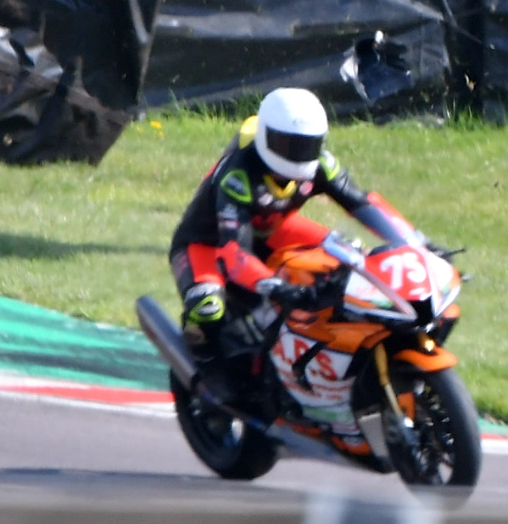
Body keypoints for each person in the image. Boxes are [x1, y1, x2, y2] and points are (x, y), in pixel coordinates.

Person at [168, 87, 433, 450]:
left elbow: (361, 203)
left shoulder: (320, 163)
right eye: (286, 143)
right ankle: (209, 380)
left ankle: (331, 364)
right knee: (208, 307)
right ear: (264, 137)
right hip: (207, 242)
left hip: (273, 228)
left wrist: (412, 240)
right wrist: (275, 286)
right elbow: (233, 253)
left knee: (351, 259)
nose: (297, 154)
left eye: (305, 145)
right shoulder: (239, 175)